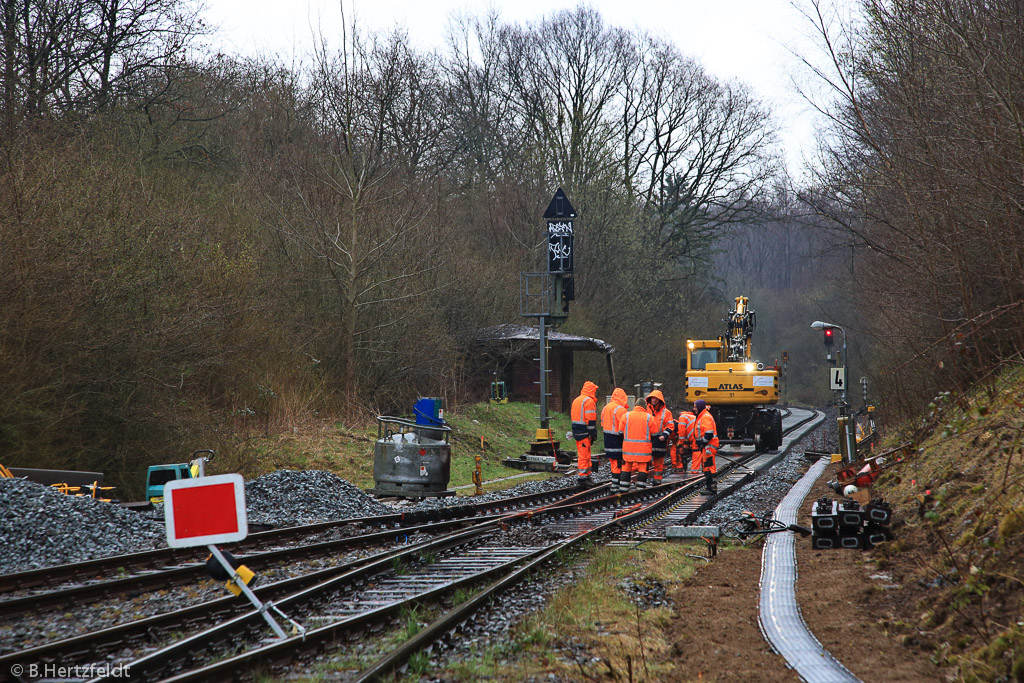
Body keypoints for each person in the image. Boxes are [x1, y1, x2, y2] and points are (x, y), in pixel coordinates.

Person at [618, 396, 653, 490]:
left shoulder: (626, 416)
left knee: (626, 469)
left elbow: (620, 432)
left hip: (628, 450)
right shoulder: (649, 418)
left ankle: (623, 489)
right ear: (645, 407)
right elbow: (655, 433)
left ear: (635, 405)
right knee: (643, 470)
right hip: (643, 451)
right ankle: (640, 490)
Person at [570, 380, 599, 486]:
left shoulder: (576, 400)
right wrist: (592, 433)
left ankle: (586, 475)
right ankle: (583, 477)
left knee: (583, 453)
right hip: (585, 432)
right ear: (591, 390)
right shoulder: (589, 401)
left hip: (577, 431)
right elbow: (591, 420)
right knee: (584, 455)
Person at [601, 388, 629, 492]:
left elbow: (603, 423)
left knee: (613, 462)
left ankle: (614, 483)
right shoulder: (621, 410)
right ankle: (616, 484)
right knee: (618, 462)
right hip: (617, 438)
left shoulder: (605, 408)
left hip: (607, 438)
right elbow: (624, 426)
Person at [645, 389, 676, 485]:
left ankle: (657, 479)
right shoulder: (646, 410)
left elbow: (670, 426)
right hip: (648, 439)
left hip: (660, 439)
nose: (654, 400)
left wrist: (664, 435)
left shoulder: (666, 413)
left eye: (656, 398)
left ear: (660, 400)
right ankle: (642, 480)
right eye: (652, 398)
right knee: (644, 460)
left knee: (659, 461)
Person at [693, 399, 719, 493]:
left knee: (709, 466)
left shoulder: (705, 417)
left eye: (695, 407)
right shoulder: (702, 416)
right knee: (708, 465)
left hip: (709, 446)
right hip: (707, 445)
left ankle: (711, 488)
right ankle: (710, 487)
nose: (694, 409)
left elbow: (709, 433)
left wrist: (702, 443)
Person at [676, 404, 697, 473]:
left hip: (694, 437)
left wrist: (680, 443)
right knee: (700, 454)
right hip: (696, 436)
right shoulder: (691, 416)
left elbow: (682, 432)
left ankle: (694, 472)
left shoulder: (682, 418)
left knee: (696, 453)